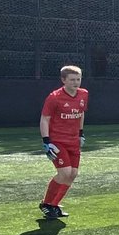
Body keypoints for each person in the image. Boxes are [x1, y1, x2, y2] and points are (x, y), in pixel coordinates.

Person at [38, 64, 88, 219]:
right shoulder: (54, 97)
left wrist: (80, 134)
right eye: (72, 79)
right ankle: (46, 203)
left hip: (74, 141)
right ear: (63, 80)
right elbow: (44, 119)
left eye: (78, 79)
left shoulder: (83, 94)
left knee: (72, 174)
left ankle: (54, 205)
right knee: (64, 172)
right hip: (58, 141)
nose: (76, 82)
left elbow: (80, 114)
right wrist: (46, 141)